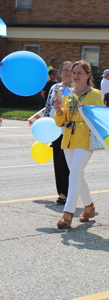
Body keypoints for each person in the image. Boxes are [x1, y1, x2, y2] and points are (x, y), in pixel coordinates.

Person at [53, 60, 104, 229]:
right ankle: (89, 207)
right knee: (78, 174)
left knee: (74, 173)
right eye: (73, 73)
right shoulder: (67, 93)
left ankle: (68, 214)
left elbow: (100, 119)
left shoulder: (95, 94)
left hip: (86, 138)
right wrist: (59, 110)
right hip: (68, 138)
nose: (75, 76)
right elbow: (61, 121)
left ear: (88, 75)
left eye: (79, 73)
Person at [44, 61, 72, 205]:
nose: (67, 72)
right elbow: (48, 107)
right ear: (60, 73)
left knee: (67, 163)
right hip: (55, 130)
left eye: (70, 70)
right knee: (58, 163)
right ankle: (62, 192)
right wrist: (45, 127)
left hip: (71, 131)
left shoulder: (76, 89)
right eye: (65, 70)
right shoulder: (55, 87)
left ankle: (67, 193)